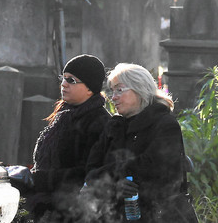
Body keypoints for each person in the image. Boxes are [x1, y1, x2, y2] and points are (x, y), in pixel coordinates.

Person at [82, 63, 197, 223]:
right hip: (113, 213)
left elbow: (155, 168)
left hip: (157, 214)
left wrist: (115, 176)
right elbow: (91, 171)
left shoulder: (164, 124)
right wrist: (115, 185)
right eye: (112, 91)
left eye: (120, 90)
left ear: (140, 89)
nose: (113, 97)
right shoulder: (114, 126)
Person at [24, 54, 111, 222]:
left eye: (71, 80)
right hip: (44, 202)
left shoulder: (99, 122)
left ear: (89, 88)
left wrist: (38, 180)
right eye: (63, 78)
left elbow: (87, 173)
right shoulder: (64, 114)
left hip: (72, 210)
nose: (63, 84)